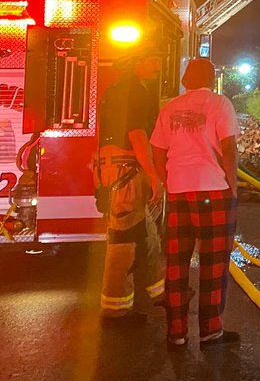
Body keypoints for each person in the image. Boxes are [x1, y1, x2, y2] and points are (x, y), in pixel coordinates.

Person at [150, 58, 240, 349]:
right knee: (213, 264)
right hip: (213, 190)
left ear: (186, 80)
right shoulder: (220, 104)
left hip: (179, 192)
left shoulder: (169, 107)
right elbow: (229, 147)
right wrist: (233, 184)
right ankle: (210, 331)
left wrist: (167, 180)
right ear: (212, 80)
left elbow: (157, 150)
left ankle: (175, 333)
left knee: (176, 263)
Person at [94, 44, 165, 324]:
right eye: (153, 59)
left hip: (117, 168)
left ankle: (159, 292)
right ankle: (114, 309)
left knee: (144, 233)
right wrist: (153, 174)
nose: (158, 66)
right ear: (137, 62)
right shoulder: (133, 91)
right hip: (126, 170)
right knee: (123, 241)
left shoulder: (118, 89)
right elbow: (137, 135)